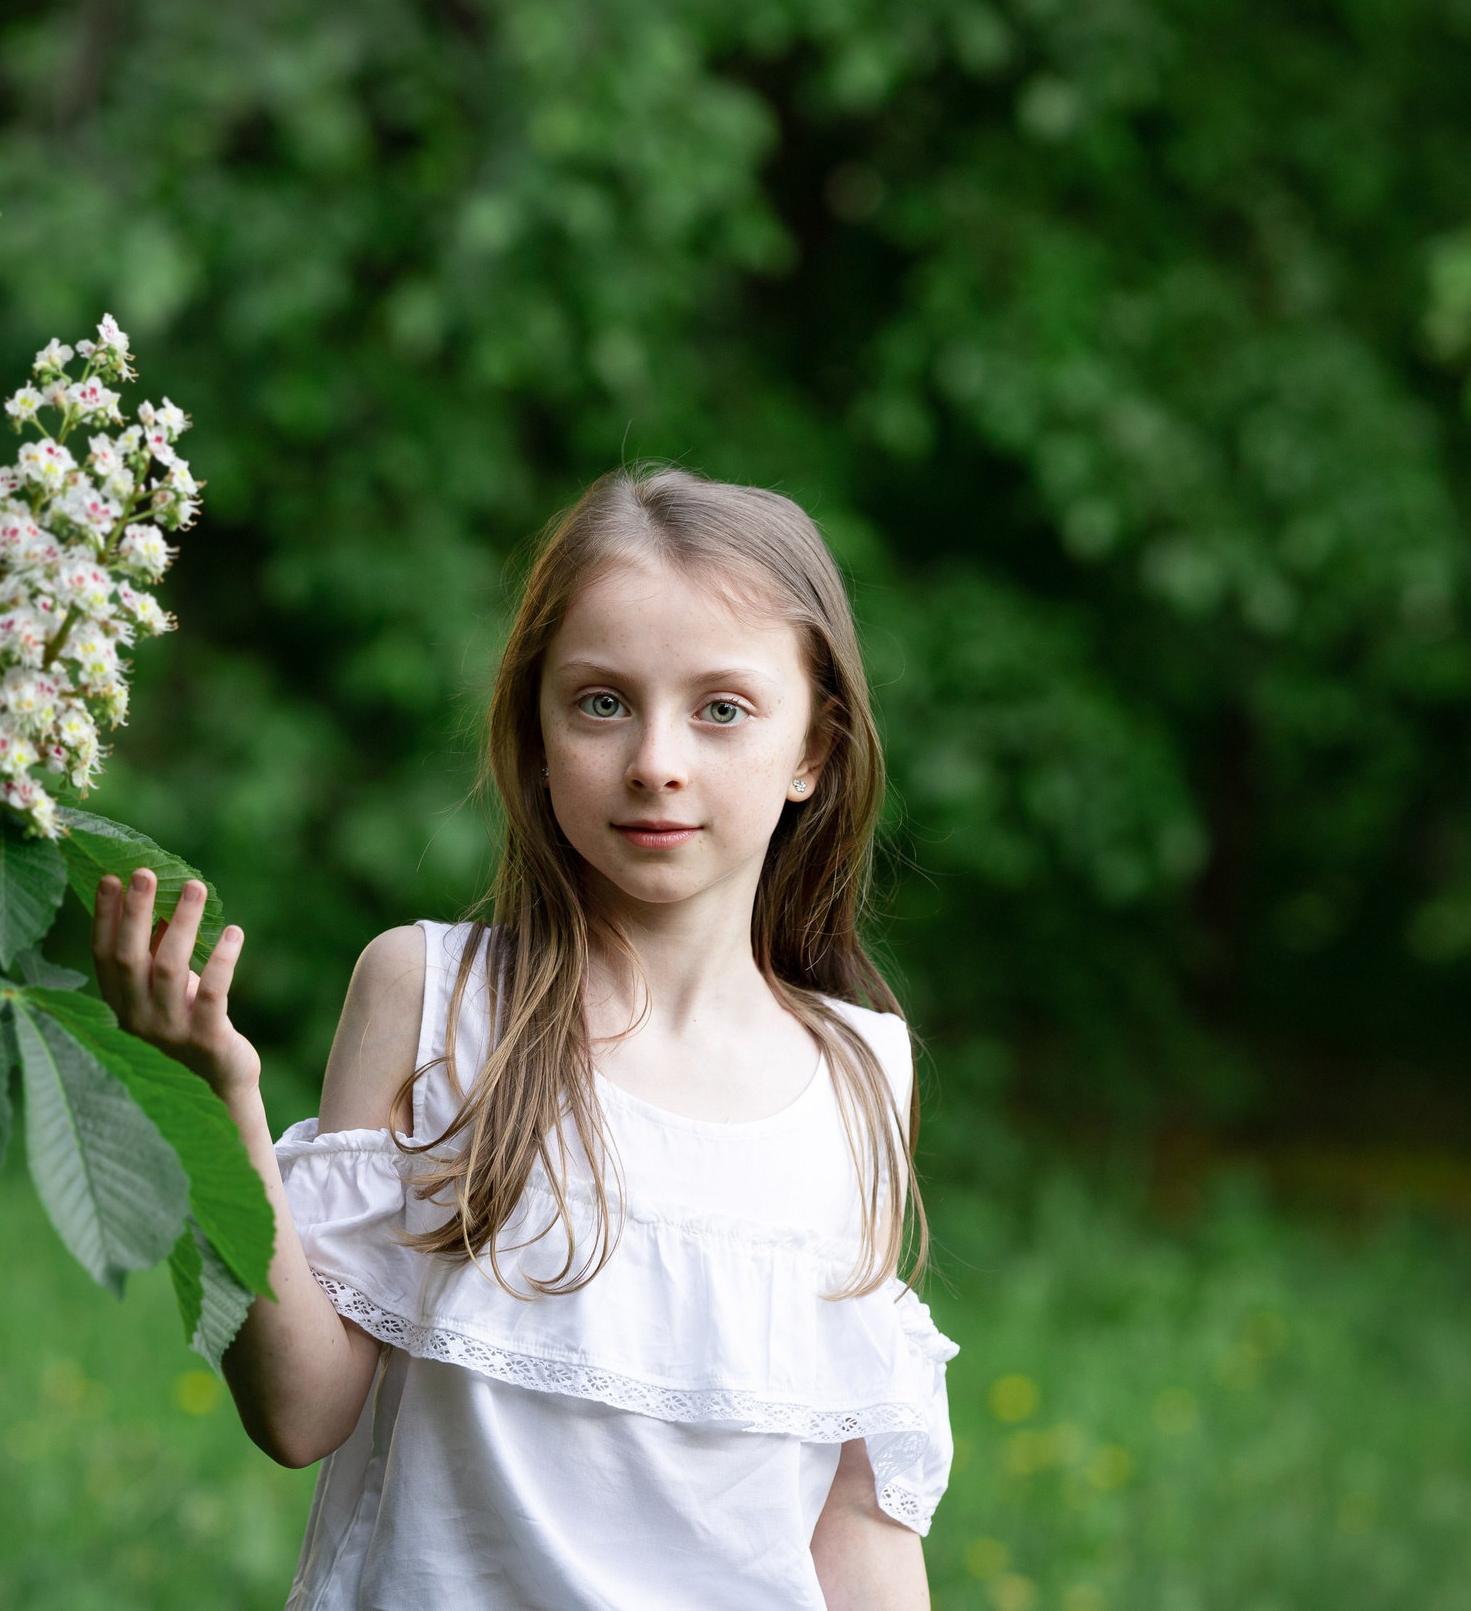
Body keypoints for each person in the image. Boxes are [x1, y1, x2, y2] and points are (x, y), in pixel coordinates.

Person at [92, 467, 958, 1610]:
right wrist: (216, 1103)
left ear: (813, 748)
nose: (656, 758)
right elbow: (300, 1412)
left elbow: (857, 1520)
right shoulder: (431, 998)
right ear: (537, 733)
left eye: (721, 708)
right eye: (601, 701)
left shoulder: (857, 1075)